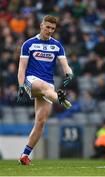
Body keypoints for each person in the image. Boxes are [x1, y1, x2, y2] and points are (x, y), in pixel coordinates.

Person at [17, 15, 73, 165]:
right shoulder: (29, 44)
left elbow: (65, 66)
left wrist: (69, 73)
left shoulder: (57, 46)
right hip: (31, 82)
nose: (50, 31)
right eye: (47, 27)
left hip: (49, 87)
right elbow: (22, 68)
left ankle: (24, 155)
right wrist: (21, 86)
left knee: (41, 122)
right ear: (41, 25)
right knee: (44, 87)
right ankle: (60, 99)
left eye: (53, 29)